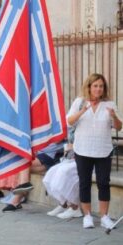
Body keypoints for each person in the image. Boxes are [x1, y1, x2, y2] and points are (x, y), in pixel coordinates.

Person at [66, 73, 122, 229]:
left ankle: (104, 217)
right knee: (84, 183)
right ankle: (88, 216)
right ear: (89, 87)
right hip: (82, 149)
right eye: (95, 85)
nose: (98, 89)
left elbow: (118, 127)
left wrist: (114, 117)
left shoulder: (109, 104)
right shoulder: (79, 102)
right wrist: (83, 110)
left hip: (103, 150)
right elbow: (69, 121)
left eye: (101, 86)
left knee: (104, 183)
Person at [2, 142, 64, 212]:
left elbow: (59, 143)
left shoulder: (62, 132)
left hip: (50, 156)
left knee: (23, 164)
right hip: (40, 155)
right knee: (20, 165)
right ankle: (19, 195)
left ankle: (18, 197)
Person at [43, 143, 82, 219]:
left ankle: (75, 208)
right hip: (70, 160)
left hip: (84, 162)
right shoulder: (71, 132)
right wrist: (68, 149)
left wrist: (74, 147)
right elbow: (67, 149)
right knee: (51, 173)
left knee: (63, 172)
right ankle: (63, 204)